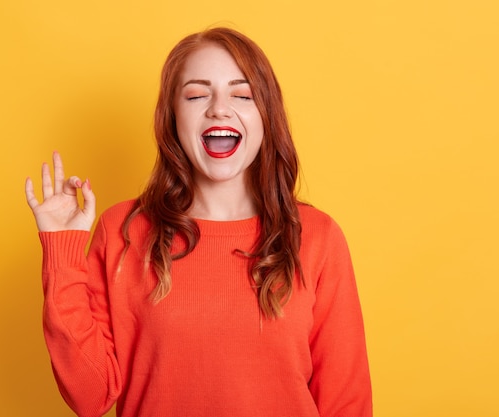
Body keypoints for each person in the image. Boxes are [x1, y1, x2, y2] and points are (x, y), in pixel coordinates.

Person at [25, 27, 372, 417]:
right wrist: (61, 249)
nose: (219, 109)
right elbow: (90, 396)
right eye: (196, 94)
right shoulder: (123, 230)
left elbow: (347, 404)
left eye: (242, 95)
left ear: (265, 116)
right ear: (172, 117)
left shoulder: (317, 237)